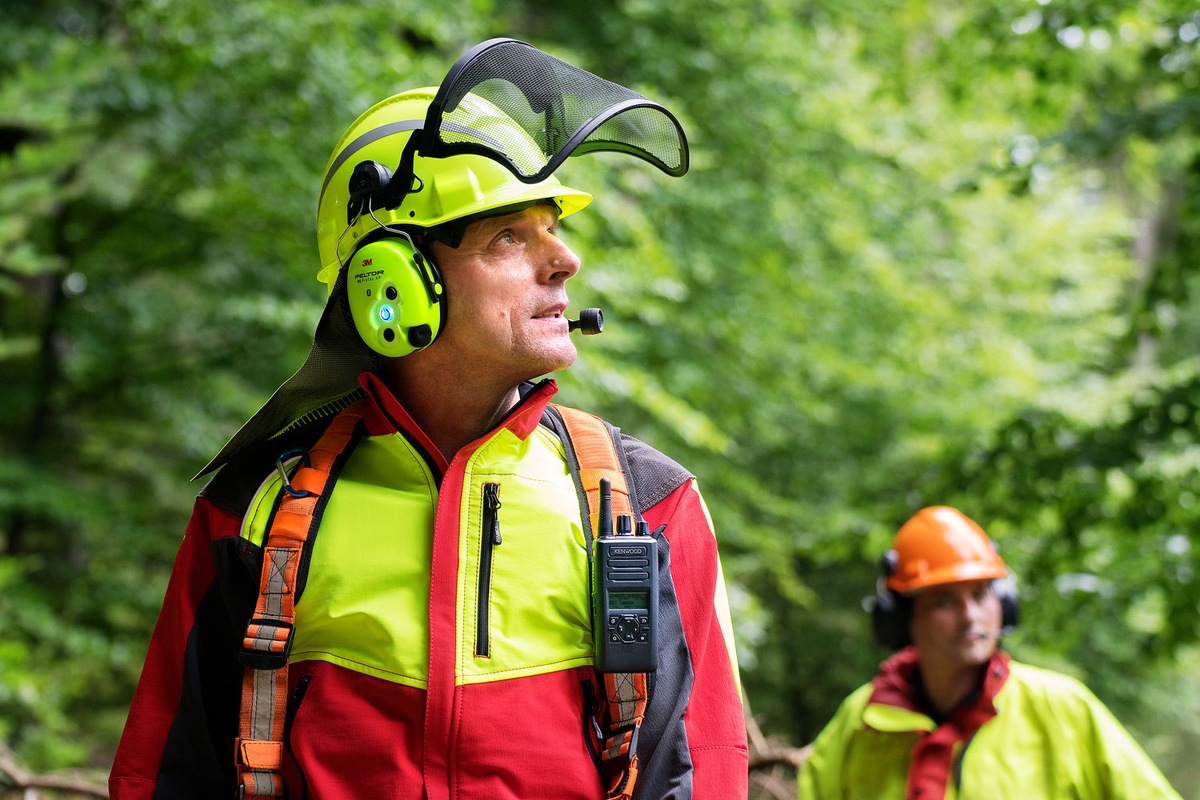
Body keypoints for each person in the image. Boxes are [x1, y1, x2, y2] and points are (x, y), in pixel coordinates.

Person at [109, 38, 747, 800]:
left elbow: (706, 769)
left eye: (553, 227)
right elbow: (163, 778)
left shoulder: (649, 505)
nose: (564, 260)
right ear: (394, 281)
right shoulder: (251, 510)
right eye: (509, 236)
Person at [797, 505, 1181, 800]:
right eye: (945, 602)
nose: (970, 617)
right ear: (900, 621)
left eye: (981, 595)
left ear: (1005, 604)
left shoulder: (1062, 708)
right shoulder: (861, 723)